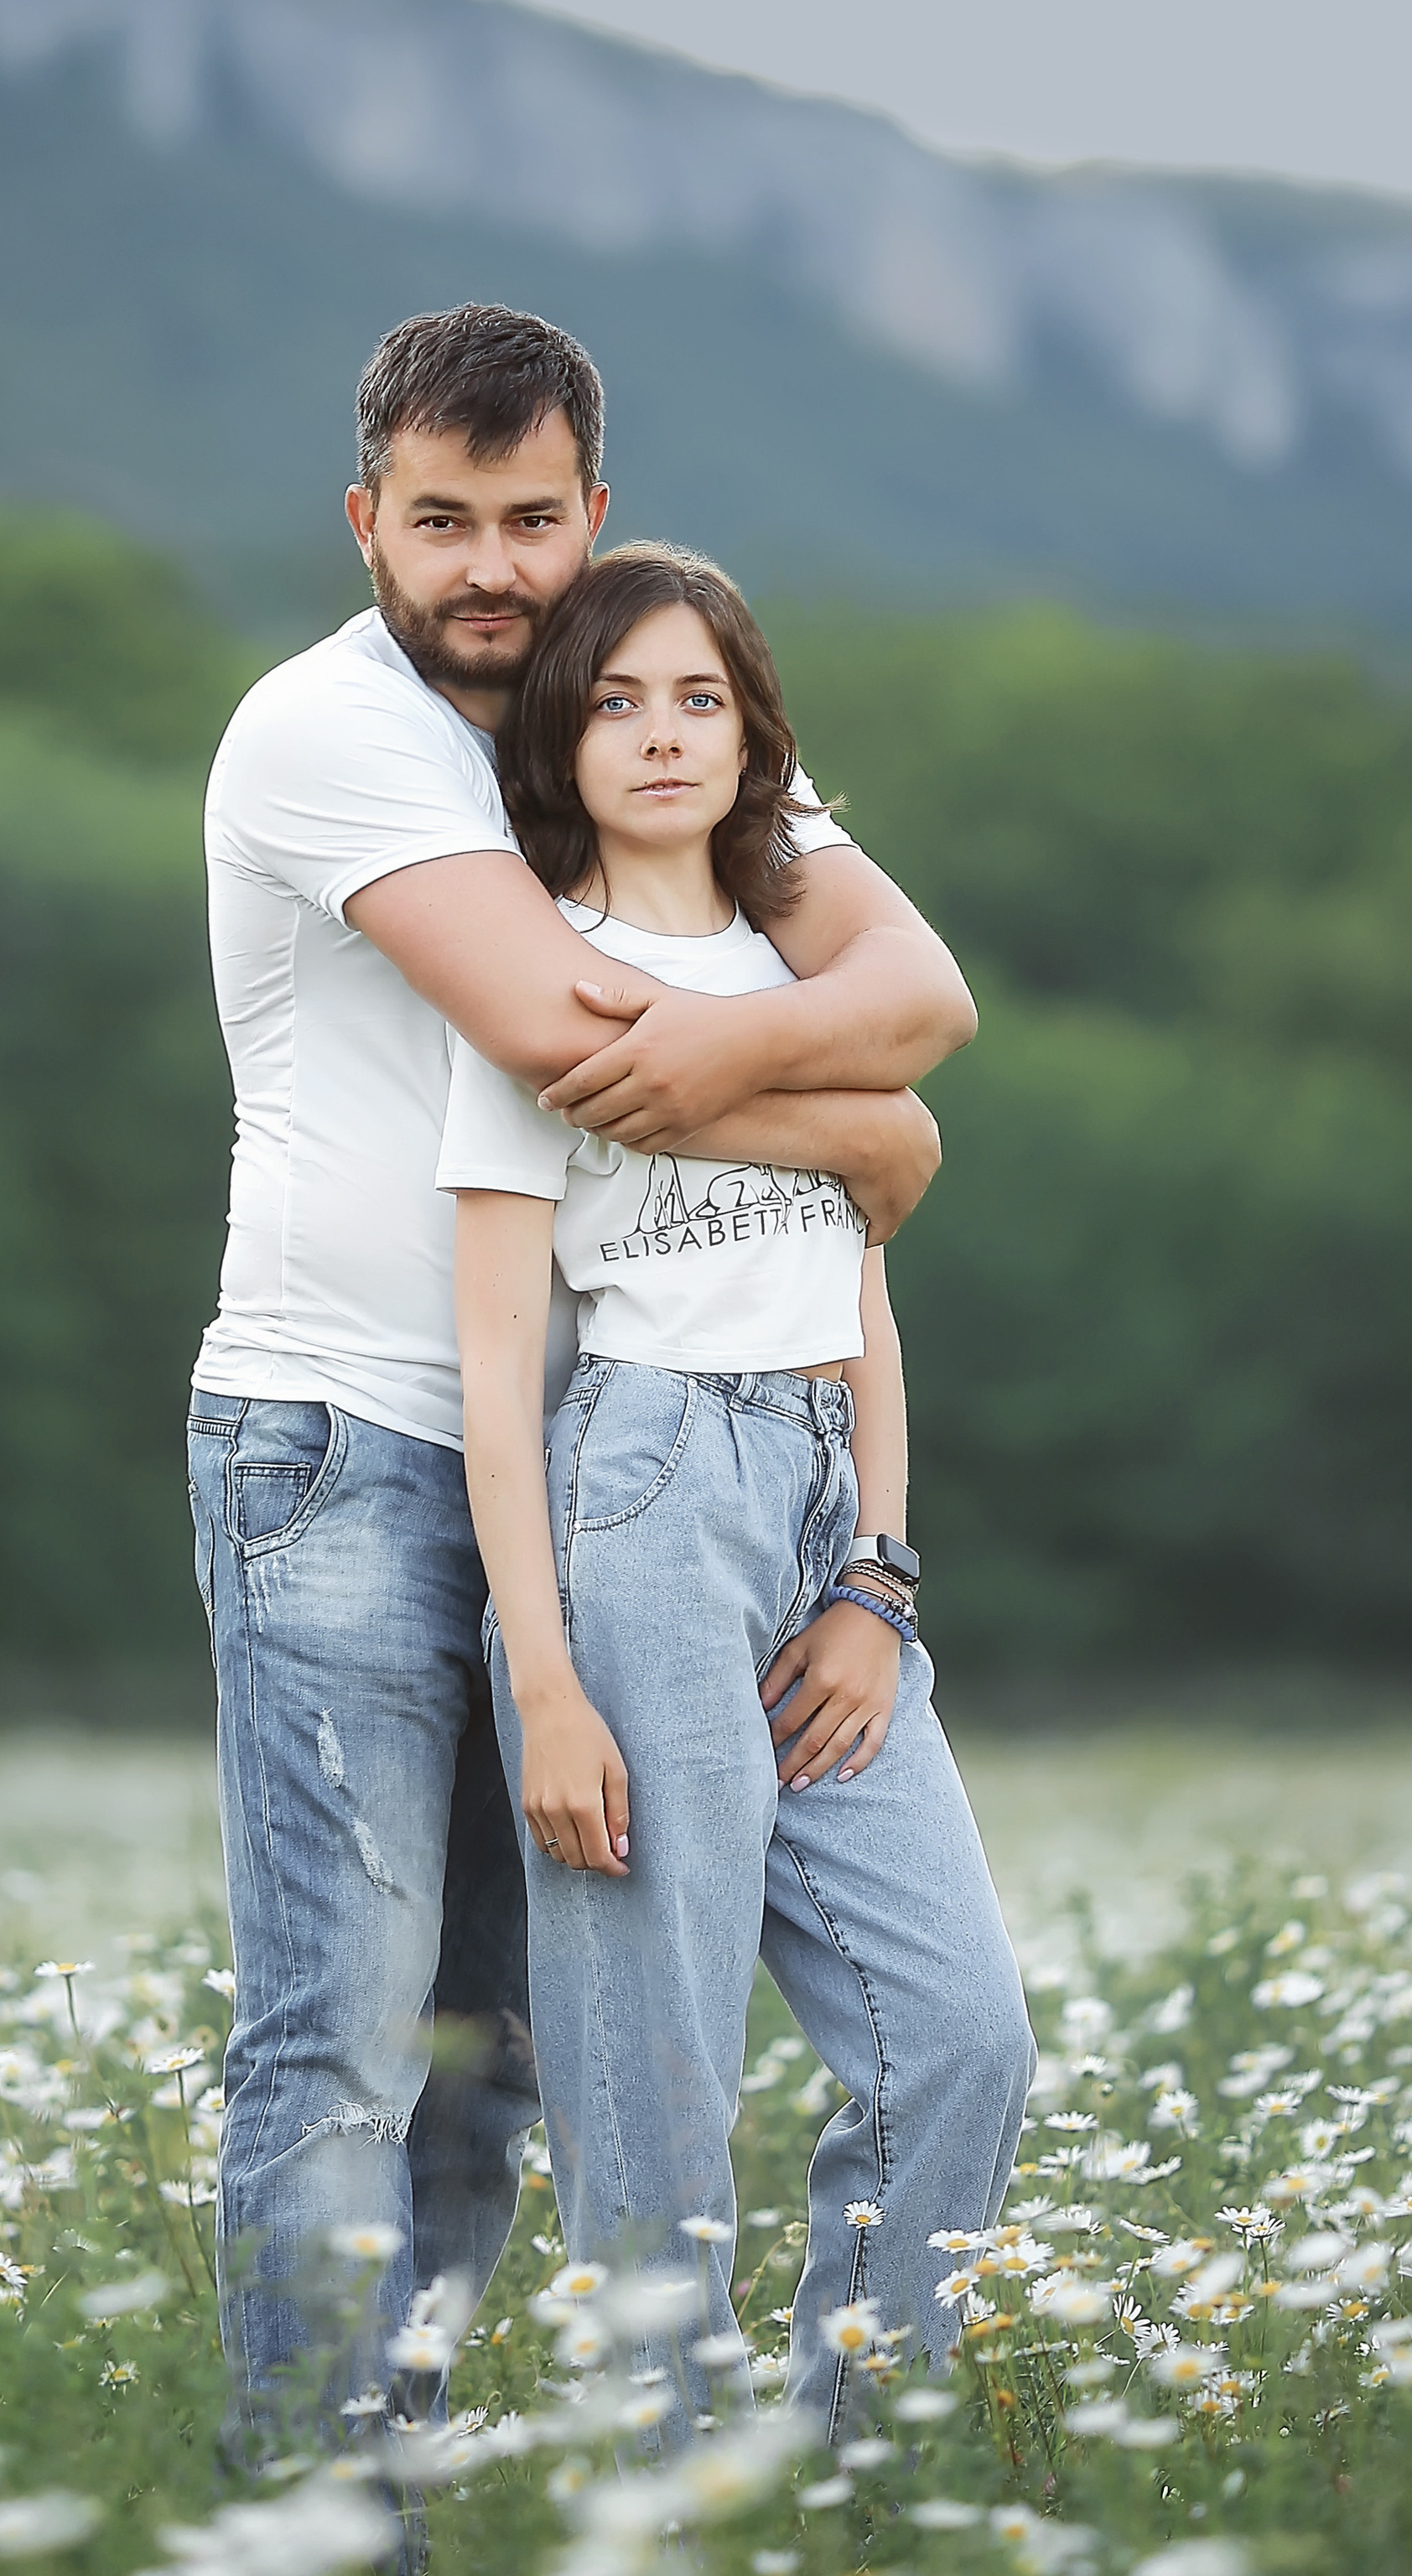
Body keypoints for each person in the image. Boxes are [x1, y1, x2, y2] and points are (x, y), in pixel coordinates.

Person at [186, 303, 990, 2461]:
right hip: (350, 1438)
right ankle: (318, 2563)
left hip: (609, 1454)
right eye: (440, 520)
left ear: (590, 510)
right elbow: (565, 1051)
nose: (489, 569)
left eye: (528, 519)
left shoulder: (634, 711)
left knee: (497, 2052)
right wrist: (861, 1125)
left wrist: (855, 1088)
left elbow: (917, 984)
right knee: (343, 2049)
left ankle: (469, 2503)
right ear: (363, 521)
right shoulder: (331, 726)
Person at [443, 544, 1034, 2443]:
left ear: (756, 736)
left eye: (698, 698)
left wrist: (878, 1578)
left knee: (959, 2037)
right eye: (615, 701)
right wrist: (543, 1680)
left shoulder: (811, 985)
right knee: (654, 2073)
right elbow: (493, 1371)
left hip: (815, 1508)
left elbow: (862, 1293)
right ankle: (668, 2522)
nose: (661, 735)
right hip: (639, 1499)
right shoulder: (538, 982)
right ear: (558, 738)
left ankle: (855, 2478)